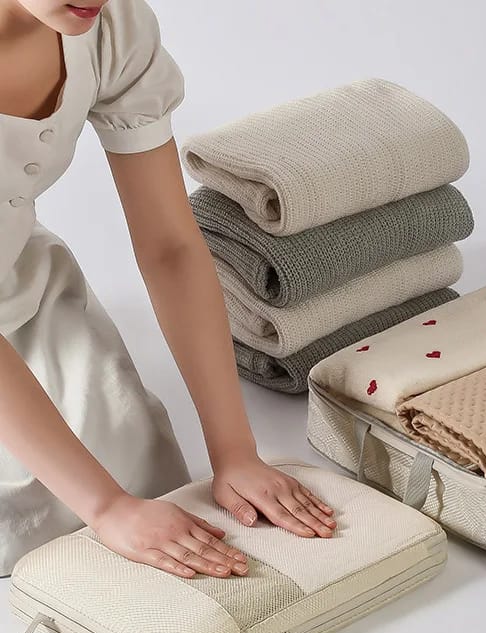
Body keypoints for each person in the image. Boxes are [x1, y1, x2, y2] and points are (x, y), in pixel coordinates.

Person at [0, 0, 337, 580]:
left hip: (17, 280)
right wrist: (106, 508)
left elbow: (170, 246)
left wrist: (235, 451)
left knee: (137, 465)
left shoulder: (109, 25)